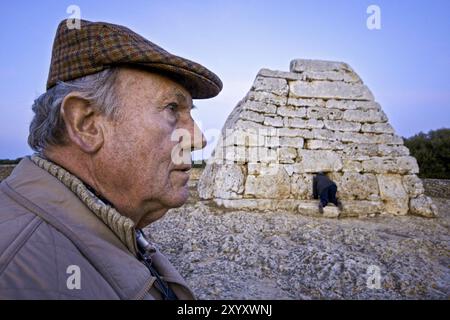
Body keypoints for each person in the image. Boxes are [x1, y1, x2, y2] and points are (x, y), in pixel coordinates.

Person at [0, 19, 222, 299]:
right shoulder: (15, 270)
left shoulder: (105, 219)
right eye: (171, 108)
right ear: (86, 124)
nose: (199, 138)